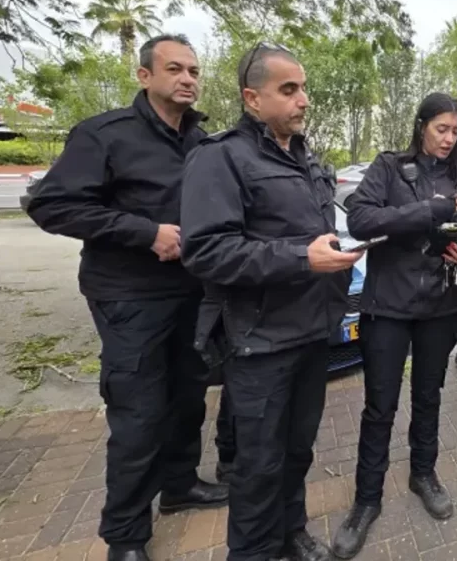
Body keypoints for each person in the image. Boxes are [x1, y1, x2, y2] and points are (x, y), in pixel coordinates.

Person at [26, 34, 228, 561]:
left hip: (191, 291)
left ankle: (180, 485)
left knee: (188, 397)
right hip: (130, 297)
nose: (187, 79)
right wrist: (146, 232)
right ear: (144, 75)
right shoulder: (104, 135)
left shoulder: (200, 142)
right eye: (174, 69)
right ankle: (126, 535)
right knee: (139, 413)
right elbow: (51, 206)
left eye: (193, 71)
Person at [180, 43, 361, 561]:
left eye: (303, 89)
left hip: (311, 332)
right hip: (260, 342)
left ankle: (291, 532)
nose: (303, 99)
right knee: (258, 466)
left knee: (297, 451)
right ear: (252, 98)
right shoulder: (221, 157)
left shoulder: (305, 159)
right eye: (289, 89)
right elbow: (206, 251)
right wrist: (303, 259)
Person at [331, 93, 457, 559]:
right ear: (421, 127)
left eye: (456, 131)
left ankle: (423, 474)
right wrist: (427, 212)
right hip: (388, 308)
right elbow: (360, 219)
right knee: (380, 405)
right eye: (441, 128)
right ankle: (367, 499)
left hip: (440, 307)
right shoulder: (390, 167)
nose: (449, 138)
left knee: (428, 396)